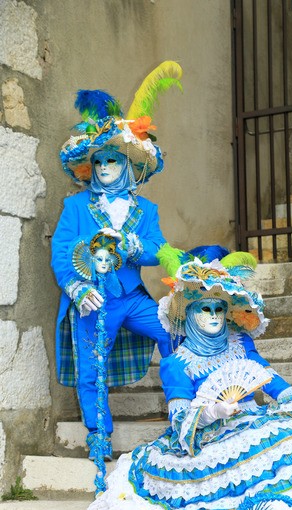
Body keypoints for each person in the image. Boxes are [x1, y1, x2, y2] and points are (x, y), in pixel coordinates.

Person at [86, 246, 292, 510]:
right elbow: (181, 419)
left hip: (247, 421)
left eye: (217, 308)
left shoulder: (242, 348)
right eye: (204, 309)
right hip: (204, 436)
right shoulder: (177, 364)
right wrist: (213, 411)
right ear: (188, 314)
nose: (213, 316)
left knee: (290, 431)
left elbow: (272, 383)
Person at [51, 62, 183, 460]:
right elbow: (61, 252)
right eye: (100, 162)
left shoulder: (148, 210)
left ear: (127, 165)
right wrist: (77, 289)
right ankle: (98, 434)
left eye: (113, 161)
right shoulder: (75, 206)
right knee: (92, 366)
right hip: (93, 298)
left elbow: (157, 249)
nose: (105, 167)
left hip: (131, 297)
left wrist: (130, 244)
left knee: (174, 332)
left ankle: (183, 410)